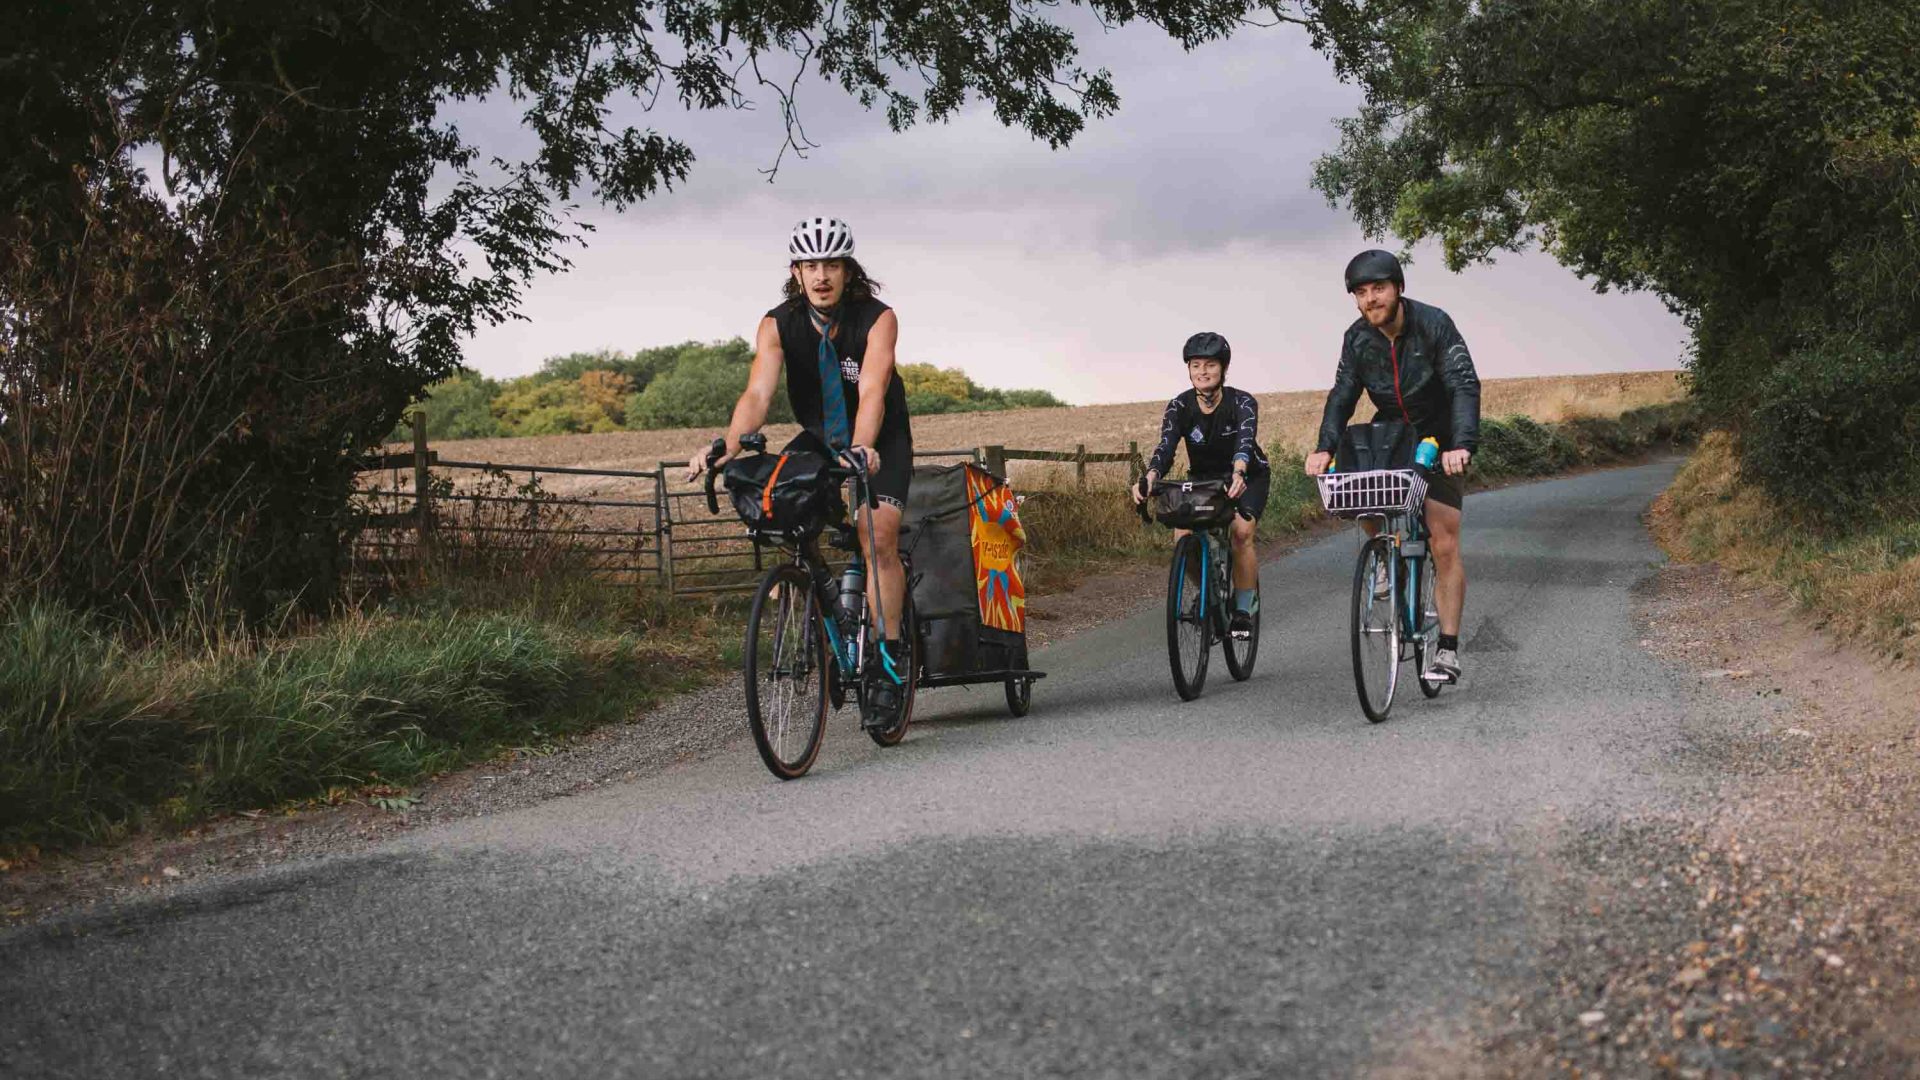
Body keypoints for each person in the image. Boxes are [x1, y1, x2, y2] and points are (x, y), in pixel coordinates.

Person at [686, 216, 913, 727]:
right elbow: (758, 395)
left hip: (880, 436)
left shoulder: (878, 318)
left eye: (831, 263)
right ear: (796, 270)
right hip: (819, 437)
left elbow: (873, 390)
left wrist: (863, 447)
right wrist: (728, 446)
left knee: (876, 534)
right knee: (783, 509)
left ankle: (886, 662)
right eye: (811, 264)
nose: (821, 275)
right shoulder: (776, 323)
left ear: (848, 270)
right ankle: (827, 614)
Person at [1305, 250, 1480, 684]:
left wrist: (1460, 444)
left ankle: (1448, 650)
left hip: (1439, 436)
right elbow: (1343, 393)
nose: (1370, 299)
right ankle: (1386, 556)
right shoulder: (1357, 338)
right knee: (1356, 490)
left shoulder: (1434, 324)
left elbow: (1462, 384)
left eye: (1378, 288)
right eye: (1361, 293)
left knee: (1442, 540)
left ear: (1398, 288)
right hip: (1393, 433)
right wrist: (1325, 447)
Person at [1131, 331, 1270, 640]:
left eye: (1210, 365)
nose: (1202, 372)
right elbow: (1166, 447)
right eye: (1195, 365)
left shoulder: (1243, 402)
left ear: (1223, 369)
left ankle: (1245, 608)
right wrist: (1151, 476)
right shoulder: (1179, 406)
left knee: (1241, 532)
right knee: (1183, 536)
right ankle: (1208, 592)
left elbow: (1244, 442)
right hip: (1203, 479)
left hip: (1246, 475)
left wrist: (1239, 471)